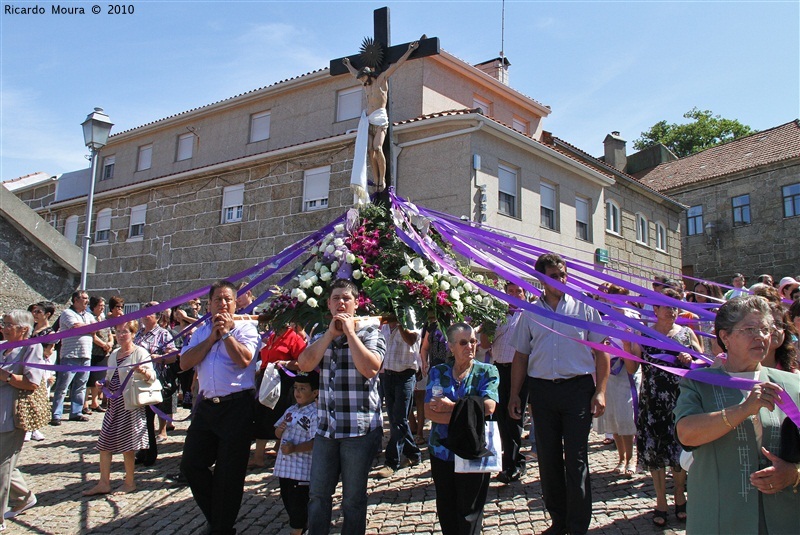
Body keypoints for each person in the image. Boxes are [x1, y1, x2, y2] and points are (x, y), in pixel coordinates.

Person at [675, 295, 800, 534]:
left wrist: (794, 473)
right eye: (749, 329)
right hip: (720, 517)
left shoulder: (793, 384)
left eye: (765, 329)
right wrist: (743, 409)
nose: (760, 336)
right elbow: (686, 434)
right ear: (725, 337)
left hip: (784, 517)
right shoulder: (699, 383)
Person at [509, 253, 610, 535]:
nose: (561, 280)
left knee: (576, 459)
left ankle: (578, 526)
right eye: (554, 276)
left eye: (563, 275)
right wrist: (515, 395)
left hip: (577, 391)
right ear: (541, 279)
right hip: (542, 392)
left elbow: (602, 353)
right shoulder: (530, 312)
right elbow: (520, 356)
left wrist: (600, 391)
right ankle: (559, 521)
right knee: (548, 459)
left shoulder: (584, 309)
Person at [297, 278, 386, 535]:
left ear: (356, 304)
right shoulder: (320, 334)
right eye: (336, 298)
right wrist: (329, 335)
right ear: (328, 304)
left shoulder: (370, 332)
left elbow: (370, 368)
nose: (341, 303)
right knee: (318, 496)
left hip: (358, 431)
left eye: (346, 298)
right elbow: (304, 364)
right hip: (326, 429)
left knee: (353, 499)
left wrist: (349, 333)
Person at [179, 280, 260, 534]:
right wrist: (212, 338)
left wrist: (225, 335)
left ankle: (221, 528)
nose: (223, 304)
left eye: (228, 300)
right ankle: (218, 517)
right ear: (209, 304)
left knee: (229, 474)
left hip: (237, 406)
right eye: (218, 300)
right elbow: (184, 362)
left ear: (236, 303)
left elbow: (244, 360)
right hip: (206, 407)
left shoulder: (247, 328)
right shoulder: (202, 332)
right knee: (191, 465)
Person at [624, 288, 702, 527]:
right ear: (655, 310)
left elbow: (703, 361)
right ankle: (660, 500)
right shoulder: (645, 334)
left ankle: (679, 495)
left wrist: (692, 359)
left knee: (680, 451)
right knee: (655, 452)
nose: (672, 310)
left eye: (675, 305)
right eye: (667, 306)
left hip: (681, 401)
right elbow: (631, 369)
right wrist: (627, 346)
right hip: (653, 401)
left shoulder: (687, 333)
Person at [426, 322, 499, 534]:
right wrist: (467, 412)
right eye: (463, 342)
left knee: (469, 513)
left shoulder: (487, 371)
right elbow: (430, 412)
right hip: (442, 450)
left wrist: (451, 406)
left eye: (473, 341)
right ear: (450, 346)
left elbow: (489, 406)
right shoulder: (438, 372)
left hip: (473, 448)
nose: (470, 346)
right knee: (446, 508)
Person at [82, 320, 154, 496]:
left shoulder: (140, 352)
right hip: (114, 404)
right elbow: (109, 376)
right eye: (118, 332)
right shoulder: (114, 354)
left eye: (125, 332)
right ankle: (103, 483)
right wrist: (102, 385)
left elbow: (152, 377)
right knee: (104, 443)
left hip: (130, 404)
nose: (121, 335)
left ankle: (130, 482)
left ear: (133, 333)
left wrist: (142, 371)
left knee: (127, 445)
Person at [342, 40, 419, 192]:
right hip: (368, 121)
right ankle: (376, 179)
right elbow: (354, 74)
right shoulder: (366, 85)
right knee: (370, 150)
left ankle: (382, 178)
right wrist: (347, 64)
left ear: (369, 75)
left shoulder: (381, 79)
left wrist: (409, 51)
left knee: (377, 148)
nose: (362, 81)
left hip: (380, 120)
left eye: (363, 78)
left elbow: (396, 65)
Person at [0, 311, 44, 527]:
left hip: (11, 415)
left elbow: (32, 383)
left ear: (24, 329)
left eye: (9, 324)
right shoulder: (1, 345)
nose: (4, 328)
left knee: (2, 465)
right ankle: (24, 497)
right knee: (6, 464)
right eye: (4, 323)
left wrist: (6, 376)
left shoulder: (31, 347)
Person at [484, 282, 529, 484]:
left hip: (519, 371)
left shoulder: (527, 315)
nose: (514, 294)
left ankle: (514, 464)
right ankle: (509, 459)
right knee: (500, 417)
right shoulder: (498, 314)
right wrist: (486, 326)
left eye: (517, 291)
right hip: (498, 370)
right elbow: (485, 345)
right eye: (510, 291)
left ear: (524, 294)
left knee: (515, 418)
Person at [594, 283, 640, 478]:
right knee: (613, 416)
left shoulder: (633, 318)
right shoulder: (603, 319)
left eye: (621, 297)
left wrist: (627, 352)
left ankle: (631, 458)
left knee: (625, 416)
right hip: (609, 373)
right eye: (614, 297)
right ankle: (621, 458)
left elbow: (639, 345)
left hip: (627, 371)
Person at [251, 323, 306, 468]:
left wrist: (285, 363)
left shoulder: (294, 338)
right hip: (267, 380)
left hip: (284, 383)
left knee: (278, 415)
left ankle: (265, 455)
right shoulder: (273, 336)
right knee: (262, 414)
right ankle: (262, 455)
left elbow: (303, 363)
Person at [375, 319, 422, 478]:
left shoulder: (411, 319)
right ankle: (413, 454)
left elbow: (411, 340)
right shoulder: (385, 324)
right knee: (396, 419)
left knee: (400, 419)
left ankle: (391, 461)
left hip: (406, 375)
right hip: (387, 375)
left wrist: (400, 322)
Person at [274, 371, 319, 535]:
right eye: (295, 388)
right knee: (287, 500)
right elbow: (277, 433)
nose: (297, 392)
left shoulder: (314, 414)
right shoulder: (291, 409)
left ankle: (298, 530)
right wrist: (279, 431)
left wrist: (295, 448)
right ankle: (301, 528)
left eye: (302, 388)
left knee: (298, 504)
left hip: (301, 471)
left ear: (315, 392)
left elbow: (316, 442)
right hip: (284, 468)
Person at [134, 301, 177, 465]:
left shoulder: (163, 334)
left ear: (157, 317)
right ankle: (142, 450)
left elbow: (173, 356)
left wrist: (156, 358)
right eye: (144, 313)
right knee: (140, 419)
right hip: (137, 382)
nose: (145, 316)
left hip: (153, 381)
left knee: (149, 416)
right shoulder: (139, 334)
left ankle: (150, 452)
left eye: (150, 313)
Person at [51, 290, 96, 425]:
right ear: (76, 300)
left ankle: (76, 412)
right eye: (84, 298)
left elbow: (96, 328)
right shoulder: (67, 313)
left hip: (86, 354)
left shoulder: (88, 315)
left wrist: (87, 327)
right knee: (63, 386)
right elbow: (76, 327)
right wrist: (88, 327)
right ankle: (56, 414)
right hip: (70, 354)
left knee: (81, 385)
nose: (87, 301)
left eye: (87, 298)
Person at [26, 301, 57, 442]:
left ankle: (35, 428)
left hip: (41, 366)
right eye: (34, 311)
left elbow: (48, 352)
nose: (35, 314)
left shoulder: (50, 333)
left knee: (40, 397)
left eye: (39, 312)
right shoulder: (29, 329)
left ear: (47, 315)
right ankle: (26, 426)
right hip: (26, 365)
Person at [86, 296, 112, 414]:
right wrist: (103, 345)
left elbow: (109, 333)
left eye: (103, 306)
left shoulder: (103, 318)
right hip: (94, 351)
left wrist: (110, 343)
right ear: (94, 306)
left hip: (104, 352)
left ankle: (95, 402)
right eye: (100, 306)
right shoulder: (90, 318)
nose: (102, 308)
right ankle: (85, 403)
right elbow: (93, 335)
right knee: (90, 379)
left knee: (99, 379)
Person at [763, 303, 799, 373]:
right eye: (768, 323)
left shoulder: (792, 374)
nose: (774, 327)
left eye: (779, 324)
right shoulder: (739, 368)